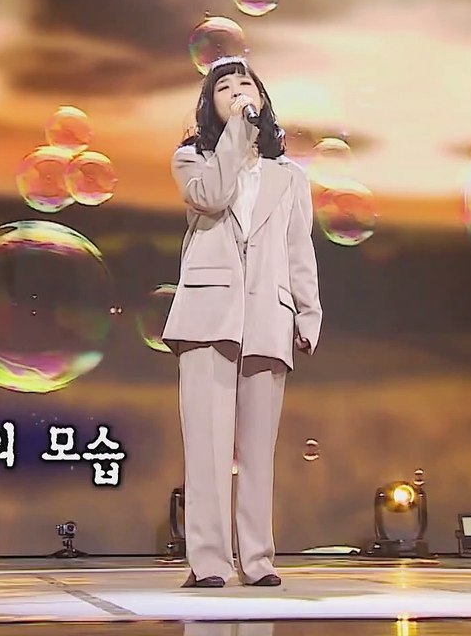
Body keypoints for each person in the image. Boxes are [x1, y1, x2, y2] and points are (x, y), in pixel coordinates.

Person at [161, 55, 322, 588]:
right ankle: (209, 562)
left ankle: (257, 560)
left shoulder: (289, 177)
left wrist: (308, 312)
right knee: (207, 446)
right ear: (210, 104)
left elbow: (299, 249)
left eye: (244, 84)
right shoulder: (192, 159)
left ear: (262, 96)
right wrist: (234, 134)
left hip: (268, 314)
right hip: (207, 315)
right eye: (224, 87)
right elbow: (212, 197)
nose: (236, 91)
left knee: (257, 451)